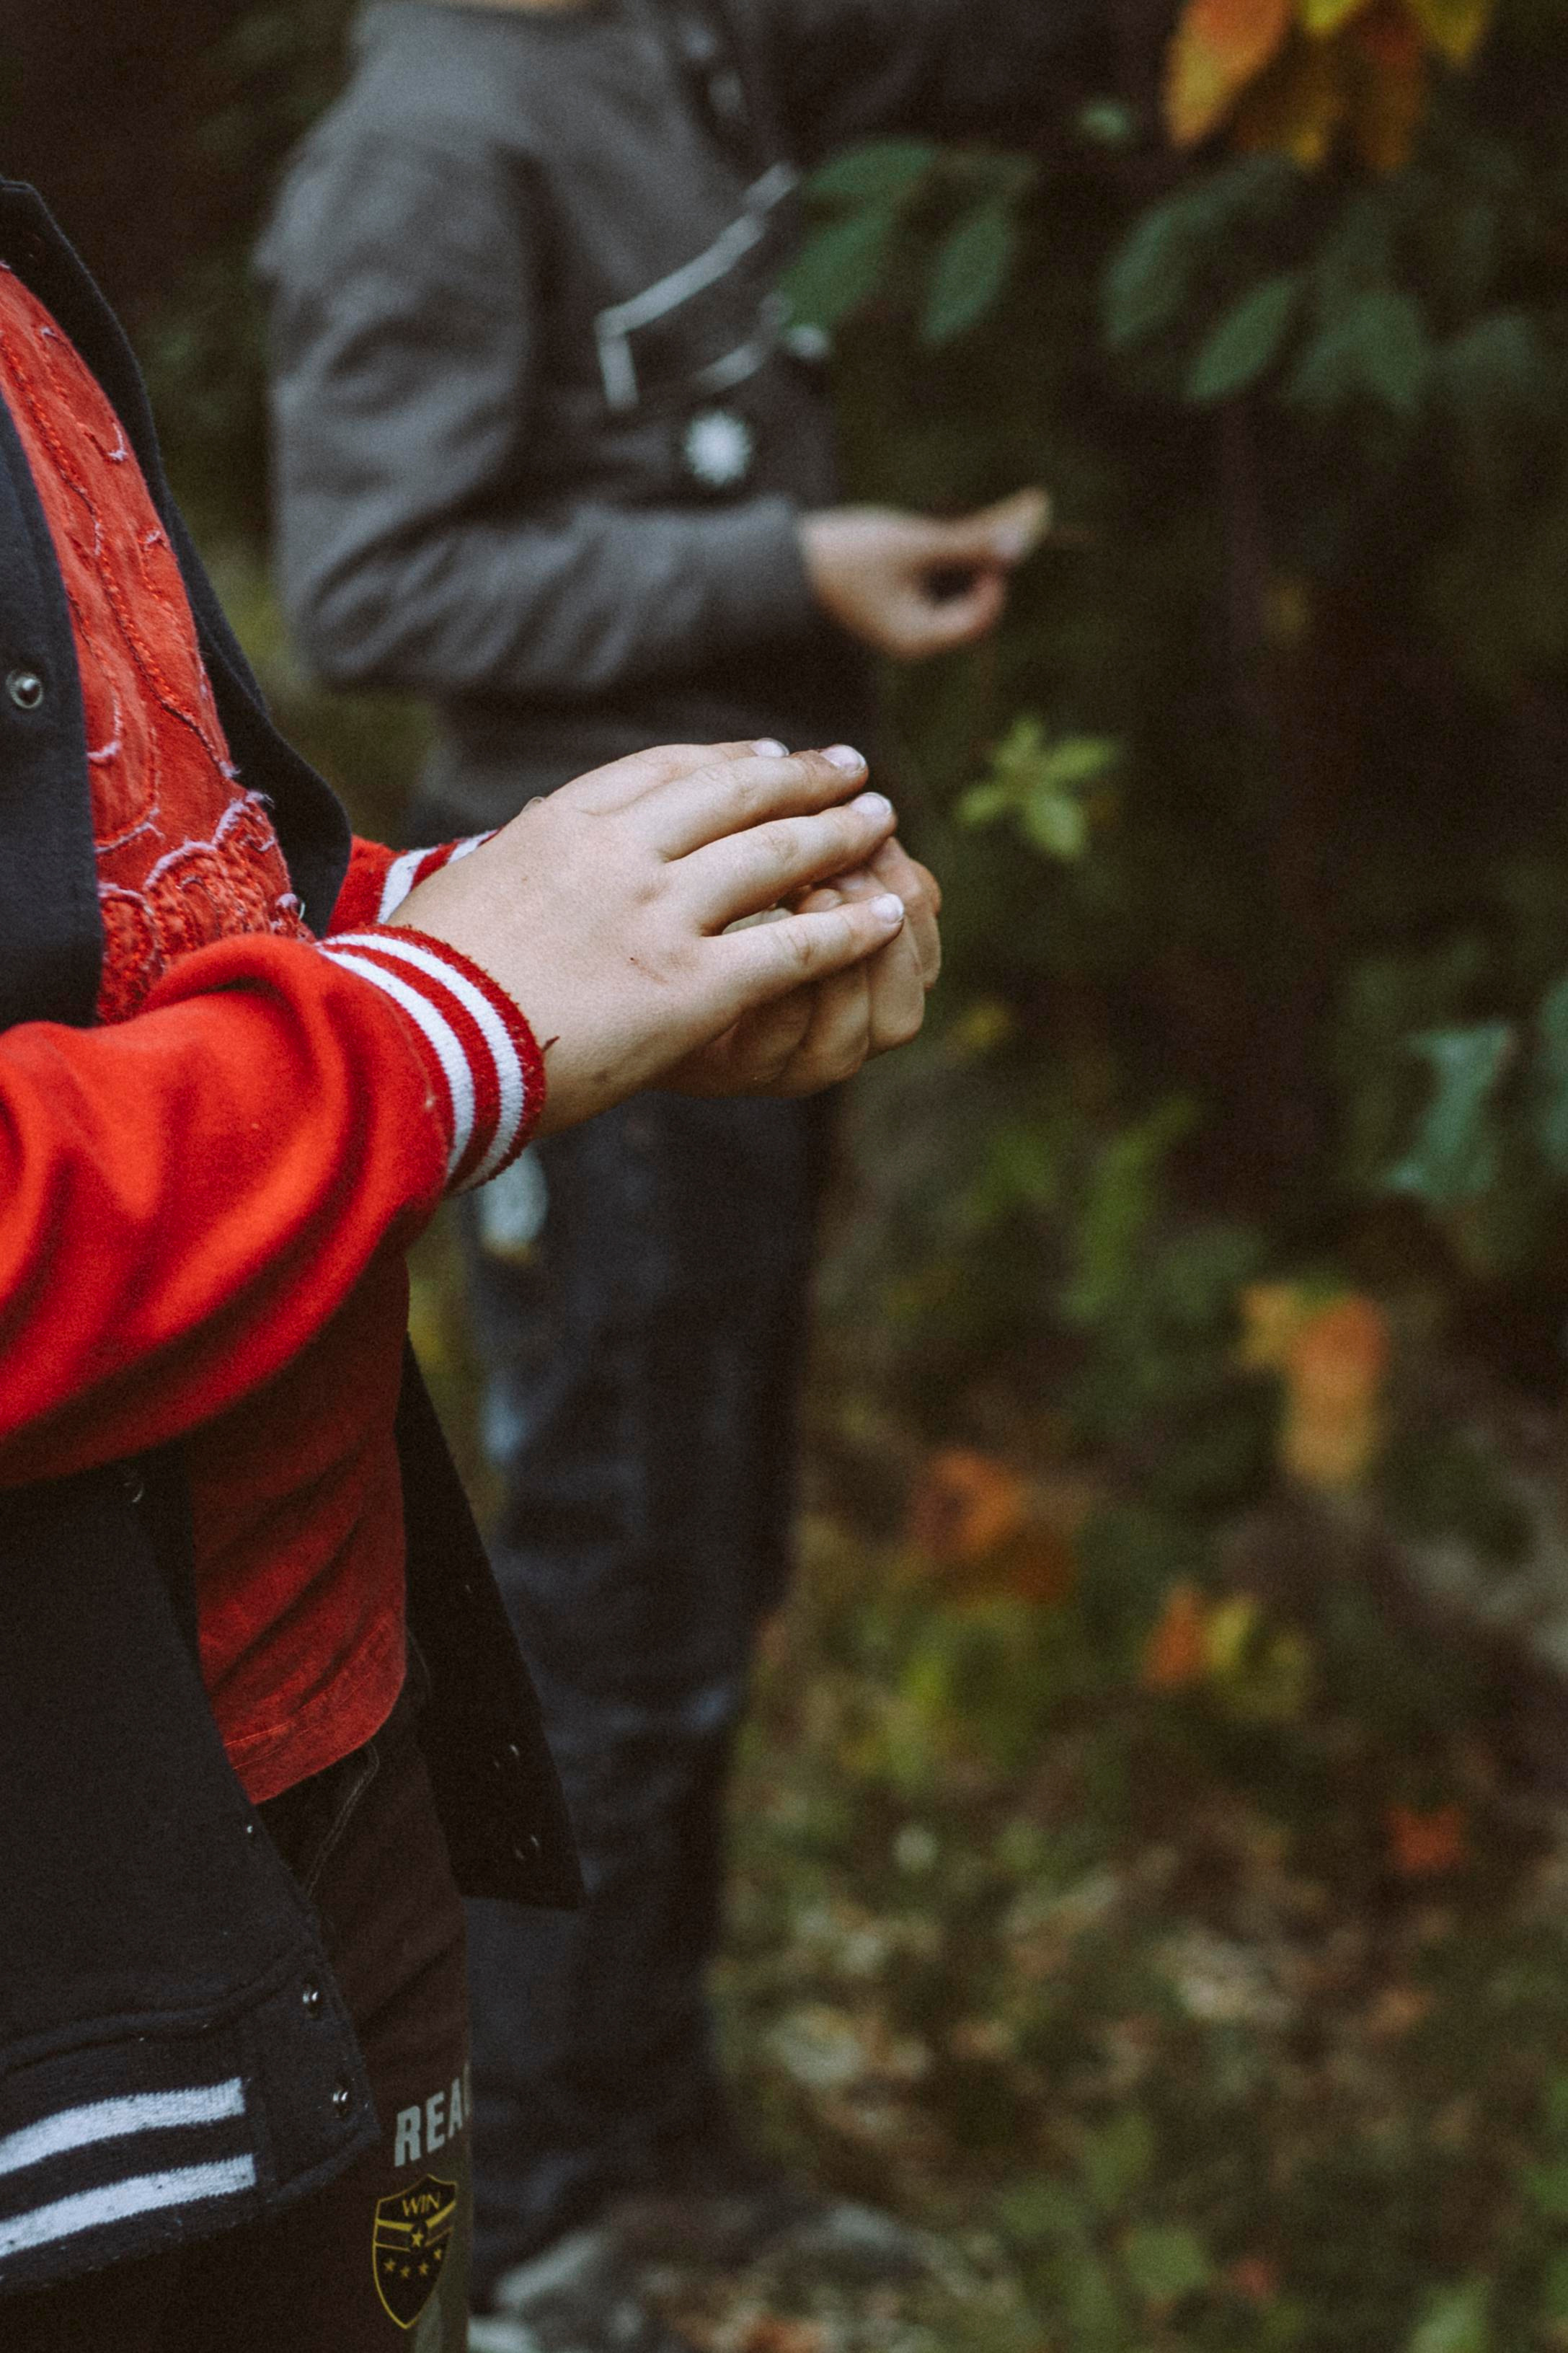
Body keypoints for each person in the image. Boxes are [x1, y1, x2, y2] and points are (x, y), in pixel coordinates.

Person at [0, 164, 939, 2352]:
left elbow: (151, 915)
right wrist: (456, 1027)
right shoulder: (433, 135)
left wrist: (584, 926)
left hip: (325, 1775)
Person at [259, 0, 1100, 2324]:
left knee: (700, 1571)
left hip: (746, 961)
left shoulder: (675, 36)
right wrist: (783, 569)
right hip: (590, 1002)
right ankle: (521, 2221)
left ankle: (653, 2128)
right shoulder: (427, 150)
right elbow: (374, 590)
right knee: (613, 1595)